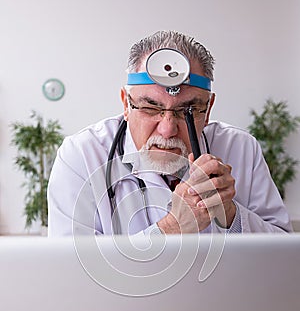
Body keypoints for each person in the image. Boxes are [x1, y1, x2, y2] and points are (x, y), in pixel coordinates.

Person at [47, 30, 292, 236]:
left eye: (187, 110)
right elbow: (73, 274)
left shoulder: (241, 149)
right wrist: (173, 227)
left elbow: (284, 258)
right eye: (150, 107)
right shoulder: (81, 155)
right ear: (125, 104)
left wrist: (230, 214)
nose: (167, 129)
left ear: (207, 110)